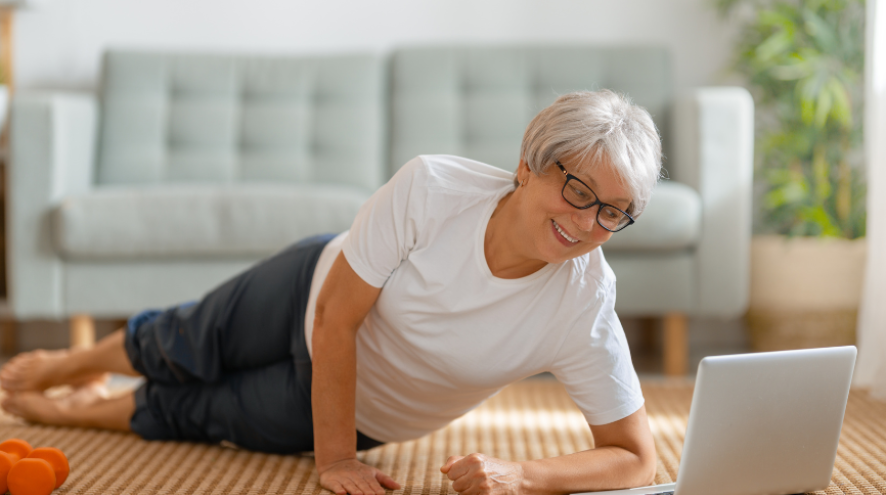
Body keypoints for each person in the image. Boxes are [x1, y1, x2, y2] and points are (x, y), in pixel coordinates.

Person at [0, 89, 662, 495]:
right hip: (308, 293)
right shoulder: (434, 187)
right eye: (578, 191)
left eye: (614, 212)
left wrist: (525, 476)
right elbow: (336, 316)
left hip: (373, 407)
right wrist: (335, 456)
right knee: (181, 339)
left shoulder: (584, 303)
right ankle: (67, 364)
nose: (587, 222)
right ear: (528, 164)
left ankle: (70, 410)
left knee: (195, 413)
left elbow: (637, 458)